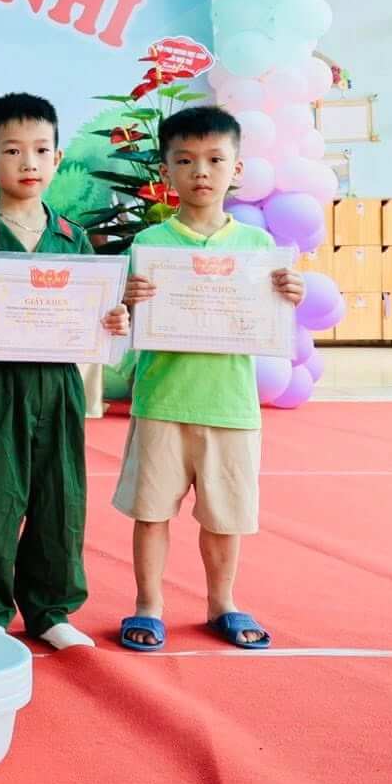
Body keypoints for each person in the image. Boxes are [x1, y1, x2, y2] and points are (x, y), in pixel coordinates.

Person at [115, 105, 304, 652]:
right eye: (185, 160)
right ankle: (148, 605)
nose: (201, 171)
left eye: (216, 159)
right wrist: (126, 300)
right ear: (166, 171)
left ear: (236, 169)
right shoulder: (148, 246)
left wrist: (289, 295)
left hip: (230, 404)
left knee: (225, 518)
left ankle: (223, 602)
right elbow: (120, 322)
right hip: (161, 399)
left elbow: (271, 318)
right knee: (151, 513)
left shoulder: (259, 249)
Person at [0, 94, 129, 650]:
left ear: (57, 159)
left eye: (40, 150)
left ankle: (51, 610)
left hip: (58, 385)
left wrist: (112, 319)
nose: (28, 162)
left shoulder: (72, 237)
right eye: (12, 151)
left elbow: (94, 314)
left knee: (61, 497)